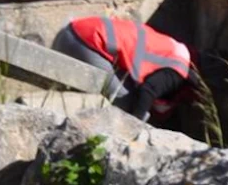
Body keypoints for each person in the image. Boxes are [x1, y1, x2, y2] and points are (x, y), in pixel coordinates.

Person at [52, 16, 194, 122]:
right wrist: (136, 124)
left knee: (128, 94)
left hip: (66, 33)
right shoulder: (178, 69)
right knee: (128, 103)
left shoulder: (170, 48)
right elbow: (148, 90)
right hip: (83, 43)